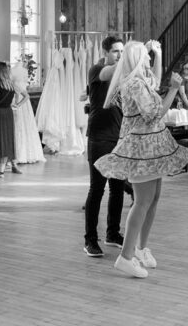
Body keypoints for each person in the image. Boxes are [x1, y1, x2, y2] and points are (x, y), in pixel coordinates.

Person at [94, 40, 188, 278]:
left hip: (151, 145)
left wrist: (157, 53)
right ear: (138, 60)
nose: (149, 61)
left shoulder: (141, 82)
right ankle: (125, 257)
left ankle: (140, 248)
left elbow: (155, 82)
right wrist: (173, 90)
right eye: (146, 58)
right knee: (142, 201)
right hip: (141, 148)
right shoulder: (134, 84)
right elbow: (154, 113)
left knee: (153, 197)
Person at [84, 36, 125, 258]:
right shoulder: (97, 70)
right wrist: (132, 56)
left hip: (118, 137)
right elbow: (110, 72)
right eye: (116, 51)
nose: (119, 55)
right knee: (97, 189)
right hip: (99, 138)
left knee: (117, 189)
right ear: (106, 52)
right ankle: (90, 239)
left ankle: (112, 233)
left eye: (122, 51)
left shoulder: (121, 72)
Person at [11, 65, 46, 165]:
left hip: (19, 105)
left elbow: (26, 96)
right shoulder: (16, 81)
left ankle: (21, 154)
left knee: (20, 127)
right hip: (21, 106)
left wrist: (18, 105)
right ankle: (21, 154)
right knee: (22, 128)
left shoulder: (15, 84)